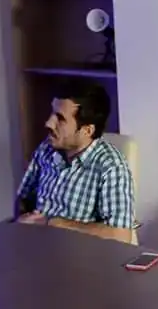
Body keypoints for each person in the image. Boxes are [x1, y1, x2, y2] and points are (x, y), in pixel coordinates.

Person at [13, 78, 135, 243]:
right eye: (52, 113)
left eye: (60, 119)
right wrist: (22, 219)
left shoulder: (111, 167)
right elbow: (23, 197)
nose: (49, 123)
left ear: (87, 130)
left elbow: (120, 236)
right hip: (33, 247)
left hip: (77, 258)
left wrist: (53, 223)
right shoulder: (46, 148)